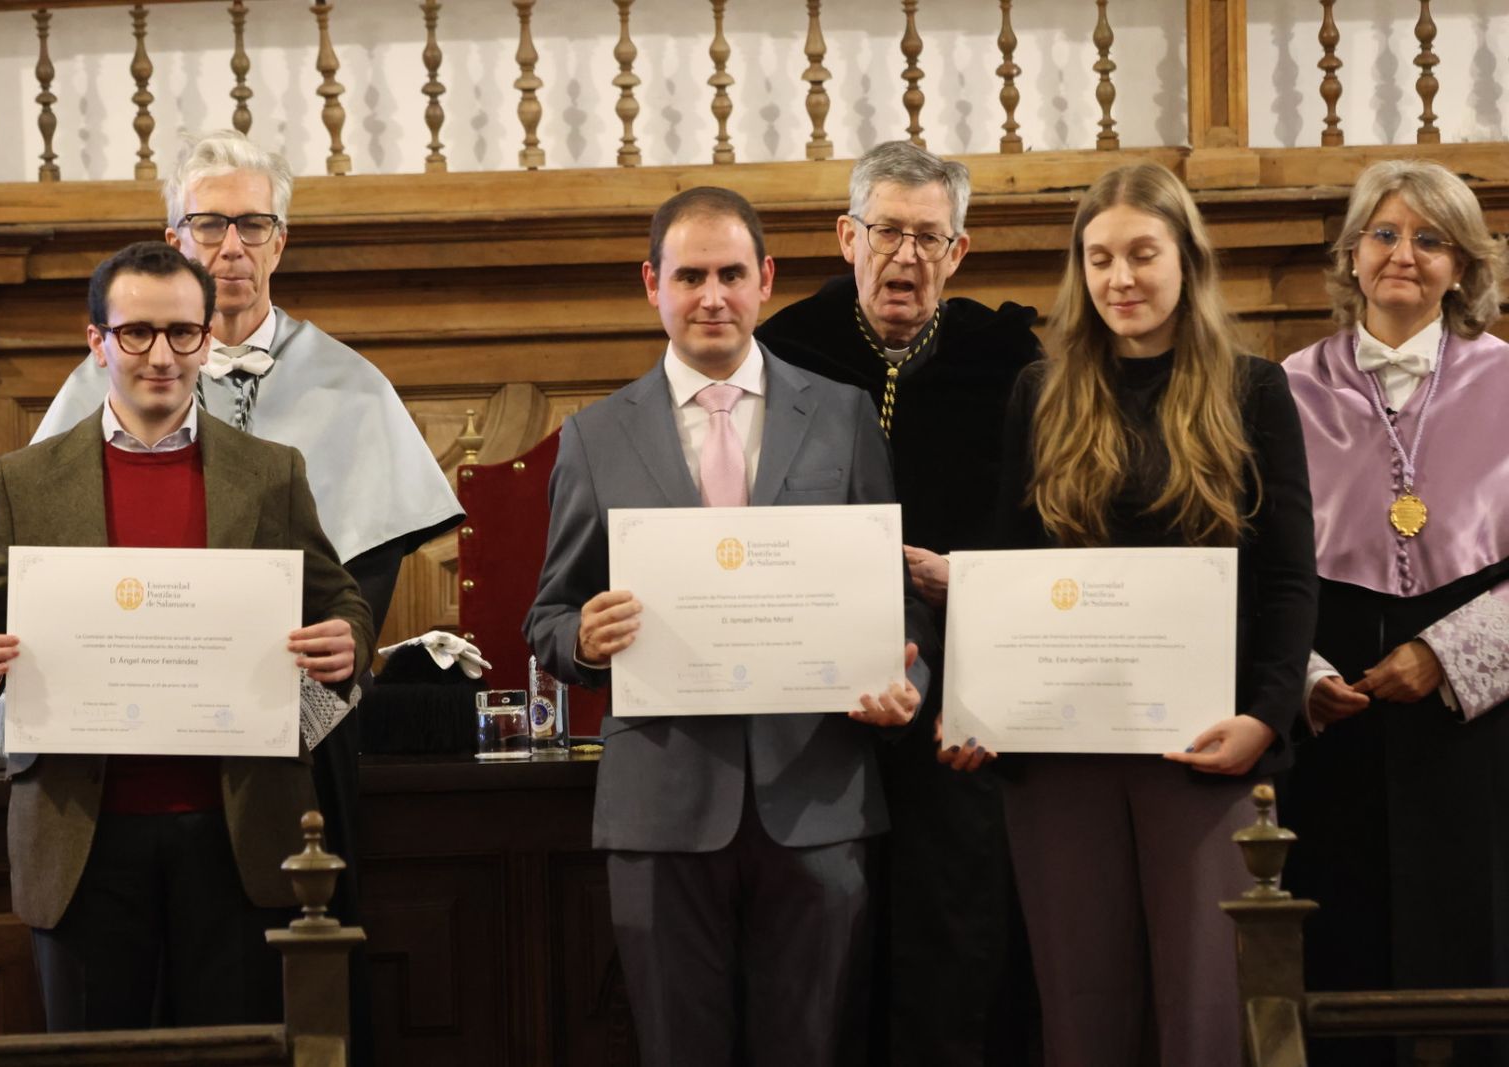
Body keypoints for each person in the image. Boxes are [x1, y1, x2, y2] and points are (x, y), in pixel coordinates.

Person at [30, 130, 458, 1063]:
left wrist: (288, 706)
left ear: (281, 238)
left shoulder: (350, 387)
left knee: (274, 1005)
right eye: (209, 222)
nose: (231, 246)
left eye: (253, 223)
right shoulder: (94, 385)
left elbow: (361, 590)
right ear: (172, 234)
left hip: (290, 752)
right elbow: (50, 569)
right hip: (126, 760)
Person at [523, 186, 936, 1066]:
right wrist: (582, 639)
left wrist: (911, 684)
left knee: (813, 1048)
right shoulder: (595, 436)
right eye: (691, 275)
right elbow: (549, 615)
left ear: (767, 280)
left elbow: (893, 597)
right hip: (663, 809)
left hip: (818, 797)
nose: (713, 295)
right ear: (652, 284)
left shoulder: (841, 415)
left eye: (732, 274)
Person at [0, 241, 373, 1031]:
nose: (161, 355)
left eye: (183, 333)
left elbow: (339, 597)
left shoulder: (271, 471)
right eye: (136, 333)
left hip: (235, 831)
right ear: (96, 341)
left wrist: (349, 640)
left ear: (208, 337)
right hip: (81, 837)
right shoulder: (25, 479)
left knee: (236, 1049)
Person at [943, 162, 1316, 1067]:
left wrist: (1264, 717)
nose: (1120, 279)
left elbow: (1289, 580)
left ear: (1186, 259)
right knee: (1083, 1013)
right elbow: (1010, 567)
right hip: (1060, 756)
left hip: (1203, 752)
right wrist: (975, 708)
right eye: (1099, 257)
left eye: (1142, 254)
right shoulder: (1043, 391)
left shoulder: (1253, 390)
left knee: (1205, 1016)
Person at [757, 139, 1040, 1065]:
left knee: (952, 934)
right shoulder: (783, 354)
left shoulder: (1010, 369)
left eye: (930, 238)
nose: (906, 257)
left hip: (966, 696)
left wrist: (971, 578)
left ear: (958, 253)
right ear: (848, 236)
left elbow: (1053, 540)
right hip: (815, 697)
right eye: (887, 232)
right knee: (824, 933)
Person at [1280, 159, 1509, 1067]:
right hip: (1336, 713)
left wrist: (1447, 656)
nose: (1402, 254)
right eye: (1383, 233)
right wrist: (1302, 673)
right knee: (1342, 942)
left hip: (1474, 722)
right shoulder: (1287, 385)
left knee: (1474, 935)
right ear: (1352, 253)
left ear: (1462, 266)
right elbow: (1252, 557)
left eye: (1429, 237)